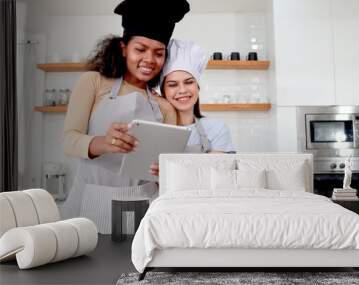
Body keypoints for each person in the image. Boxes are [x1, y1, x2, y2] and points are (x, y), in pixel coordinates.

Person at [61, 0, 190, 234]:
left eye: (159, 53)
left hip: (144, 206)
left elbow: (168, 171)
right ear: (123, 48)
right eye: (140, 49)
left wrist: (165, 172)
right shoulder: (94, 82)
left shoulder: (165, 107)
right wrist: (103, 143)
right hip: (89, 202)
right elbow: (69, 140)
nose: (150, 60)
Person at [150, 39, 235, 175]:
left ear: (197, 86)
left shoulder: (217, 129)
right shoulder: (153, 130)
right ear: (163, 91)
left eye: (189, 82)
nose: (182, 90)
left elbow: (220, 174)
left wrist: (174, 171)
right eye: (172, 85)